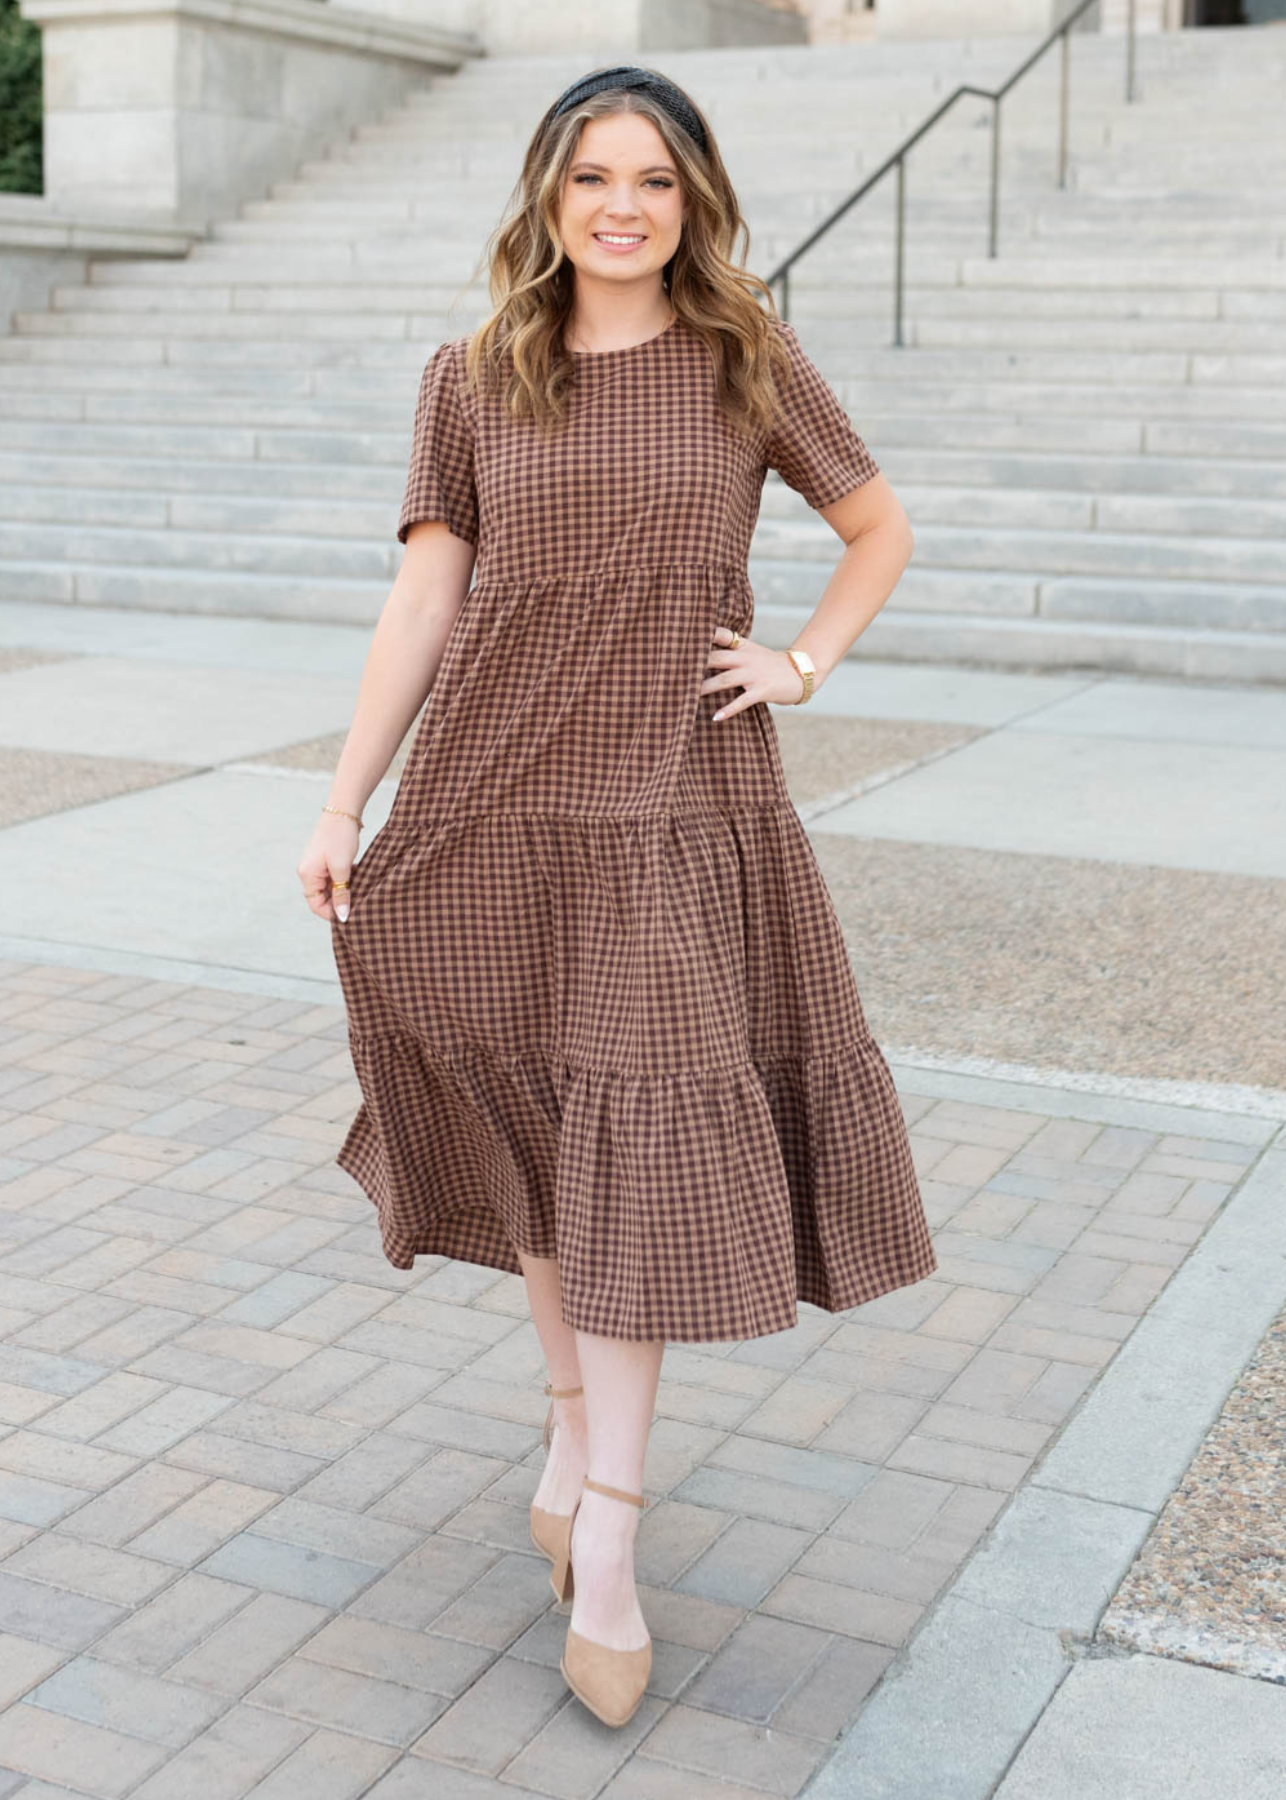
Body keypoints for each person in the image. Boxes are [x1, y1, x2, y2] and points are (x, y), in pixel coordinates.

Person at [296, 63, 938, 1730]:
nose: (623, 205)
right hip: (493, 803)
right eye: (593, 177)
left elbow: (877, 529)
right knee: (527, 1108)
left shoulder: (744, 361)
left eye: (653, 178)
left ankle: (612, 1549)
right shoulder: (475, 373)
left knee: (637, 1140)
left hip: (671, 808)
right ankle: (571, 1421)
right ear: (548, 195)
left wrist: (797, 661)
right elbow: (424, 599)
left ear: (693, 198)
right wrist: (346, 792)